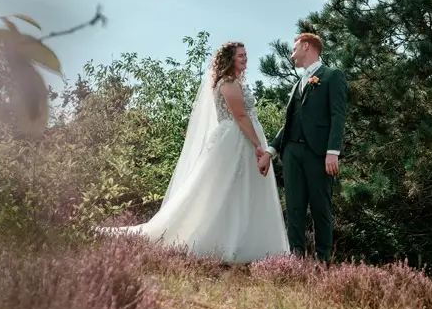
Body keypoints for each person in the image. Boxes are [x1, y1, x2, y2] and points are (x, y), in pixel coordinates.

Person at [97, 41, 288, 262]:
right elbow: (240, 116)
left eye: (246, 54)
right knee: (225, 190)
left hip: (242, 137)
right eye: (240, 55)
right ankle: (221, 242)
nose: (245, 58)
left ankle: (243, 242)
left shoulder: (234, 82)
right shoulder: (228, 82)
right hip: (237, 139)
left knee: (242, 190)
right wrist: (257, 145)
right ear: (229, 59)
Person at [257, 33, 348, 266]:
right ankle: (296, 261)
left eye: (294, 48)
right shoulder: (298, 83)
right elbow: (289, 123)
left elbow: (338, 116)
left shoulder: (332, 75)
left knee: (320, 208)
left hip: (318, 154)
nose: (291, 53)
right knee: (294, 208)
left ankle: (322, 261)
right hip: (291, 154)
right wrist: (270, 152)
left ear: (306, 47)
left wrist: (333, 151)